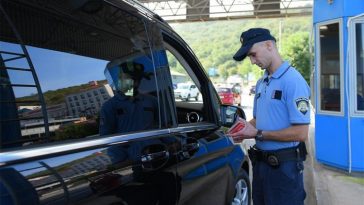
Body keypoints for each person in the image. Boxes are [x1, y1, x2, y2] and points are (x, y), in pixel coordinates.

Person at [230, 28, 310, 205]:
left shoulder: (293, 81)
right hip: (261, 167)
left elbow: (301, 133)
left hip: (284, 170)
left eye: (253, 55)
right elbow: (258, 120)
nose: (252, 61)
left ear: (268, 45)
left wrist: (258, 134)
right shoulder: (262, 82)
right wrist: (239, 130)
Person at [99, 60, 158, 135]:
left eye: (138, 79)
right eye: (131, 79)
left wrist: (172, 142)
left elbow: (163, 126)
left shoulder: (151, 101)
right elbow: (106, 138)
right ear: (120, 79)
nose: (136, 83)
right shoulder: (109, 107)